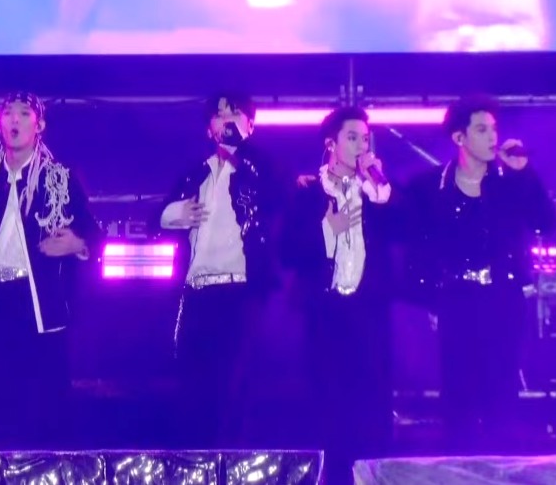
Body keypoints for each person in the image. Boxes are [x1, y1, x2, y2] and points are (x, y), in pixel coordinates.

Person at [403, 95, 556, 448]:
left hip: (502, 299)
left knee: (501, 393)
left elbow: (546, 222)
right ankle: (461, 464)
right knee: (458, 397)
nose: (493, 137)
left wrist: (524, 173)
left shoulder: (509, 184)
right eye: (482, 130)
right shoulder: (430, 188)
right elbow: (412, 244)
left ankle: (499, 464)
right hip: (456, 300)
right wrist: (429, 297)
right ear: (460, 137)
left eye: (494, 129)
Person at [0, 92, 103, 450]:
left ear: (39, 125)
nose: (15, 120)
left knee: (42, 412)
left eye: (24, 113)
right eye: (8, 113)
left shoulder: (59, 178)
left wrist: (77, 244)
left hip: (39, 308)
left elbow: (94, 236)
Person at [279, 106, 397, 483]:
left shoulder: (376, 193)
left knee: (372, 409)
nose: (361, 145)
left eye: (365, 138)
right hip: (325, 316)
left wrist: (379, 191)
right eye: (352, 137)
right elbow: (286, 252)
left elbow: (403, 233)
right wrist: (326, 231)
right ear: (331, 143)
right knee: (327, 408)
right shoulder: (307, 193)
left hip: (369, 315)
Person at [157, 93, 280, 449]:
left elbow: (280, 193)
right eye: (219, 114)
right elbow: (157, 218)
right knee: (195, 391)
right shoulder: (195, 174)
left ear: (250, 125)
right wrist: (175, 214)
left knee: (235, 392)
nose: (226, 119)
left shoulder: (261, 171)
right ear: (208, 128)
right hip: (196, 293)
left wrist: (242, 149)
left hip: (239, 292)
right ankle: (200, 464)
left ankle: (234, 464)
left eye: (235, 113)